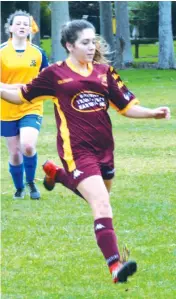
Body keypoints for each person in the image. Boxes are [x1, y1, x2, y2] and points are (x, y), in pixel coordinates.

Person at [0, 20, 170, 283]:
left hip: (105, 150)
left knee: (100, 199)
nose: (92, 47)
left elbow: (126, 106)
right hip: (77, 151)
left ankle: (56, 175)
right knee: (101, 203)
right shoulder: (54, 74)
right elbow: (21, 96)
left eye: (93, 42)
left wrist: (152, 114)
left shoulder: (105, 72)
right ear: (69, 45)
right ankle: (115, 267)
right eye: (85, 43)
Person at [0, 10, 49, 200]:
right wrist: (14, 86)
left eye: (26, 24)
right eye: (18, 23)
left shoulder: (37, 53)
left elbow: (47, 79)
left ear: (30, 29)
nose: (22, 26)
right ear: (10, 28)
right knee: (14, 154)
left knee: (28, 146)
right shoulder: (2, 51)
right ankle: (19, 188)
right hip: (6, 107)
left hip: (31, 106)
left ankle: (31, 183)